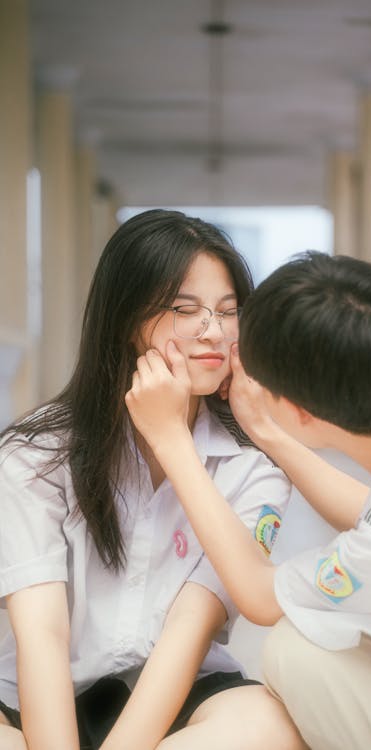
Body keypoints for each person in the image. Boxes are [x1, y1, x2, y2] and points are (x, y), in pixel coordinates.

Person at [125, 250, 371, 750]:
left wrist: (170, 439)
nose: (213, 333)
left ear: (298, 410)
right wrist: (269, 432)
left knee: (297, 647)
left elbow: (260, 595)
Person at [0, 209, 307, 750]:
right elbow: (41, 635)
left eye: (228, 311)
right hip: (31, 697)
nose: (213, 331)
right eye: (186, 310)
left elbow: (190, 631)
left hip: (177, 693)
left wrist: (172, 439)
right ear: (126, 320)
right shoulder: (37, 452)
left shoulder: (252, 463)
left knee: (269, 726)